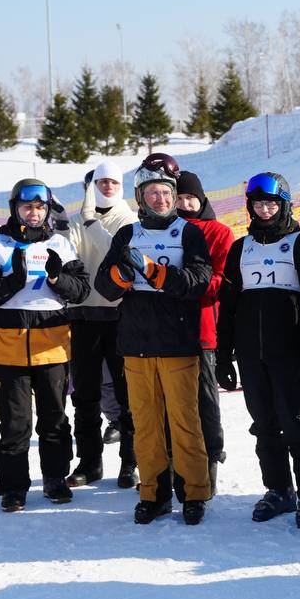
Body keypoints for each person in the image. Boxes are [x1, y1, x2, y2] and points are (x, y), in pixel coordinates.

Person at [95, 154, 213, 525]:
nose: (159, 199)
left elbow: (197, 282)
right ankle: (153, 493)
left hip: (178, 343)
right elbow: (103, 286)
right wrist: (122, 274)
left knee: (185, 423)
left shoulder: (189, 232)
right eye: (152, 193)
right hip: (137, 344)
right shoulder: (128, 233)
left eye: (165, 192)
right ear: (140, 196)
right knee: (145, 425)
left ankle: (194, 493)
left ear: (174, 195)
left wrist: (152, 270)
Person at [0, 180, 89, 511]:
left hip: (51, 342)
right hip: (10, 344)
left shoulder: (61, 245)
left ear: (47, 210)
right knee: (15, 421)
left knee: (54, 416)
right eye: (27, 207)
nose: (33, 213)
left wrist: (56, 279)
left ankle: (54, 478)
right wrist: (14, 280)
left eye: (39, 207)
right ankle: (13, 487)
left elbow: (80, 291)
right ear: (15, 209)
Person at [216, 171, 300, 527]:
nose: (265, 210)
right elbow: (229, 304)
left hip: (289, 354)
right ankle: (279, 489)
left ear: (284, 206)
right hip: (251, 355)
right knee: (264, 425)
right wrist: (223, 355)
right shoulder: (239, 248)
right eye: (259, 203)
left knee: (296, 425)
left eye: (271, 203)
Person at [65, 161, 138, 489]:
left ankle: (130, 462)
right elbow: (72, 258)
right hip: (83, 315)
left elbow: (120, 253)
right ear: (91, 185)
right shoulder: (76, 221)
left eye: (112, 182)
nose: (107, 187)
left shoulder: (129, 219)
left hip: (120, 316)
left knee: (128, 395)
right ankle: (89, 462)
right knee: (85, 395)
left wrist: (91, 222)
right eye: (101, 182)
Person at [174, 170, 234, 494]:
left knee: (204, 401)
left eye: (190, 198)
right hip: (167, 330)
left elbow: (221, 281)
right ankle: (175, 468)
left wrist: (182, 284)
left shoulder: (219, 232)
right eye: (179, 198)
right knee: (174, 403)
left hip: (203, 328)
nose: (185, 204)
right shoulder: (168, 230)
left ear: (202, 199)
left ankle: (211, 459)